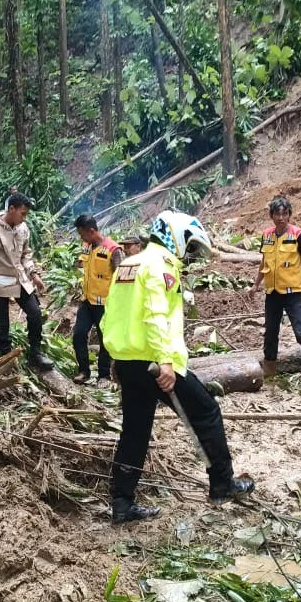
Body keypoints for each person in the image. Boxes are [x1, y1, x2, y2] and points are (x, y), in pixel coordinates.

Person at [100, 209, 255, 522]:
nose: (190, 254)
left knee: (135, 430)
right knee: (207, 411)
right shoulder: (162, 266)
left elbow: (110, 317)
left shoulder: (129, 264)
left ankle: (121, 501)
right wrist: (166, 362)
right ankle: (222, 485)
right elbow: (155, 315)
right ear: (178, 237)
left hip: (129, 362)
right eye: (191, 246)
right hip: (156, 364)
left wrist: (116, 357)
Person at [247, 197, 301, 392]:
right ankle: (269, 375)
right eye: (277, 214)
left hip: (293, 293)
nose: (281, 218)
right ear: (272, 216)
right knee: (271, 333)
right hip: (273, 293)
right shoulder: (266, 236)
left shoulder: (298, 235)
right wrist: (255, 284)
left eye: (285, 214)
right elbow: (264, 262)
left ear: (289, 215)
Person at [0, 192, 53, 370]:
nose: (24, 218)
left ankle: (35, 353)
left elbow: (26, 254)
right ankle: (6, 358)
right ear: (11, 209)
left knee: (35, 314)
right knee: (2, 324)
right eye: (22, 214)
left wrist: (34, 274)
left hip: (20, 279)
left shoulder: (22, 228)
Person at [72, 214, 123, 384]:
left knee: (104, 340)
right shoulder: (86, 245)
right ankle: (84, 371)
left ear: (92, 231)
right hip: (87, 300)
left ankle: (103, 375)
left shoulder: (113, 249)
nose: (81, 238)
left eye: (82, 234)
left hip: (104, 303)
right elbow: (82, 264)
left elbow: (119, 278)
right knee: (79, 335)